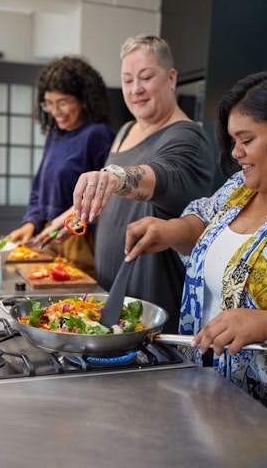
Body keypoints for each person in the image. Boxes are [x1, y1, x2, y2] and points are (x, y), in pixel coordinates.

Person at [124, 66, 267, 414]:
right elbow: (203, 222)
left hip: (266, 413)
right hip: (210, 393)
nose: (236, 153)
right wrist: (170, 231)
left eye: (247, 139)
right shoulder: (240, 187)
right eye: (233, 141)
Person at [43, 35, 215, 333]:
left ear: (171, 78)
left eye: (146, 77)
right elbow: (115, 200)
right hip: (110, 290)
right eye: (127, 80)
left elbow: (161, 177)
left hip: (153, 303)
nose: (136, 89)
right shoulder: (125, 131)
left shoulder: (187, 136)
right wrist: (74, 212)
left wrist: (114, 175)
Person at [7, 56, 115, 276]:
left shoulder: (97, 136)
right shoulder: (55, 135)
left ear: (84, 100)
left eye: (63, 102)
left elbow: (108, 197)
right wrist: (31, 223)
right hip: (49, 235)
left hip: (78, 238)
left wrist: (70, 225)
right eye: (49, 104)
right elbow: (40, 188)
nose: (55, 111)